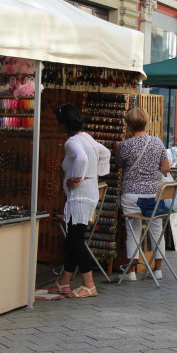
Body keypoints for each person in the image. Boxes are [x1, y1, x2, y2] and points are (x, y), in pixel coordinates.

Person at [49, 104, 111, 297]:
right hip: (86, 194)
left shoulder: (72, 142)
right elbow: (106, 153)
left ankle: (89, 285)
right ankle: (64, 283)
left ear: (63, 124)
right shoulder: (88, 139)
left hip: (80, 197)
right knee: (72, 239)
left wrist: (78, 178)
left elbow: (82, 159)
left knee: (75, 241)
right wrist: (95, 175)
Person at [118, 107, 170, 281]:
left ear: (129, 125)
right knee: (156, 229)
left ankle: (132, 271)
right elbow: (166, 168)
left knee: (132, 231)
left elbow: (119, 164)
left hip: (131, 195)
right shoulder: (157, 143)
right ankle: (158, 269)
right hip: (154, 195)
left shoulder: (125, 145)